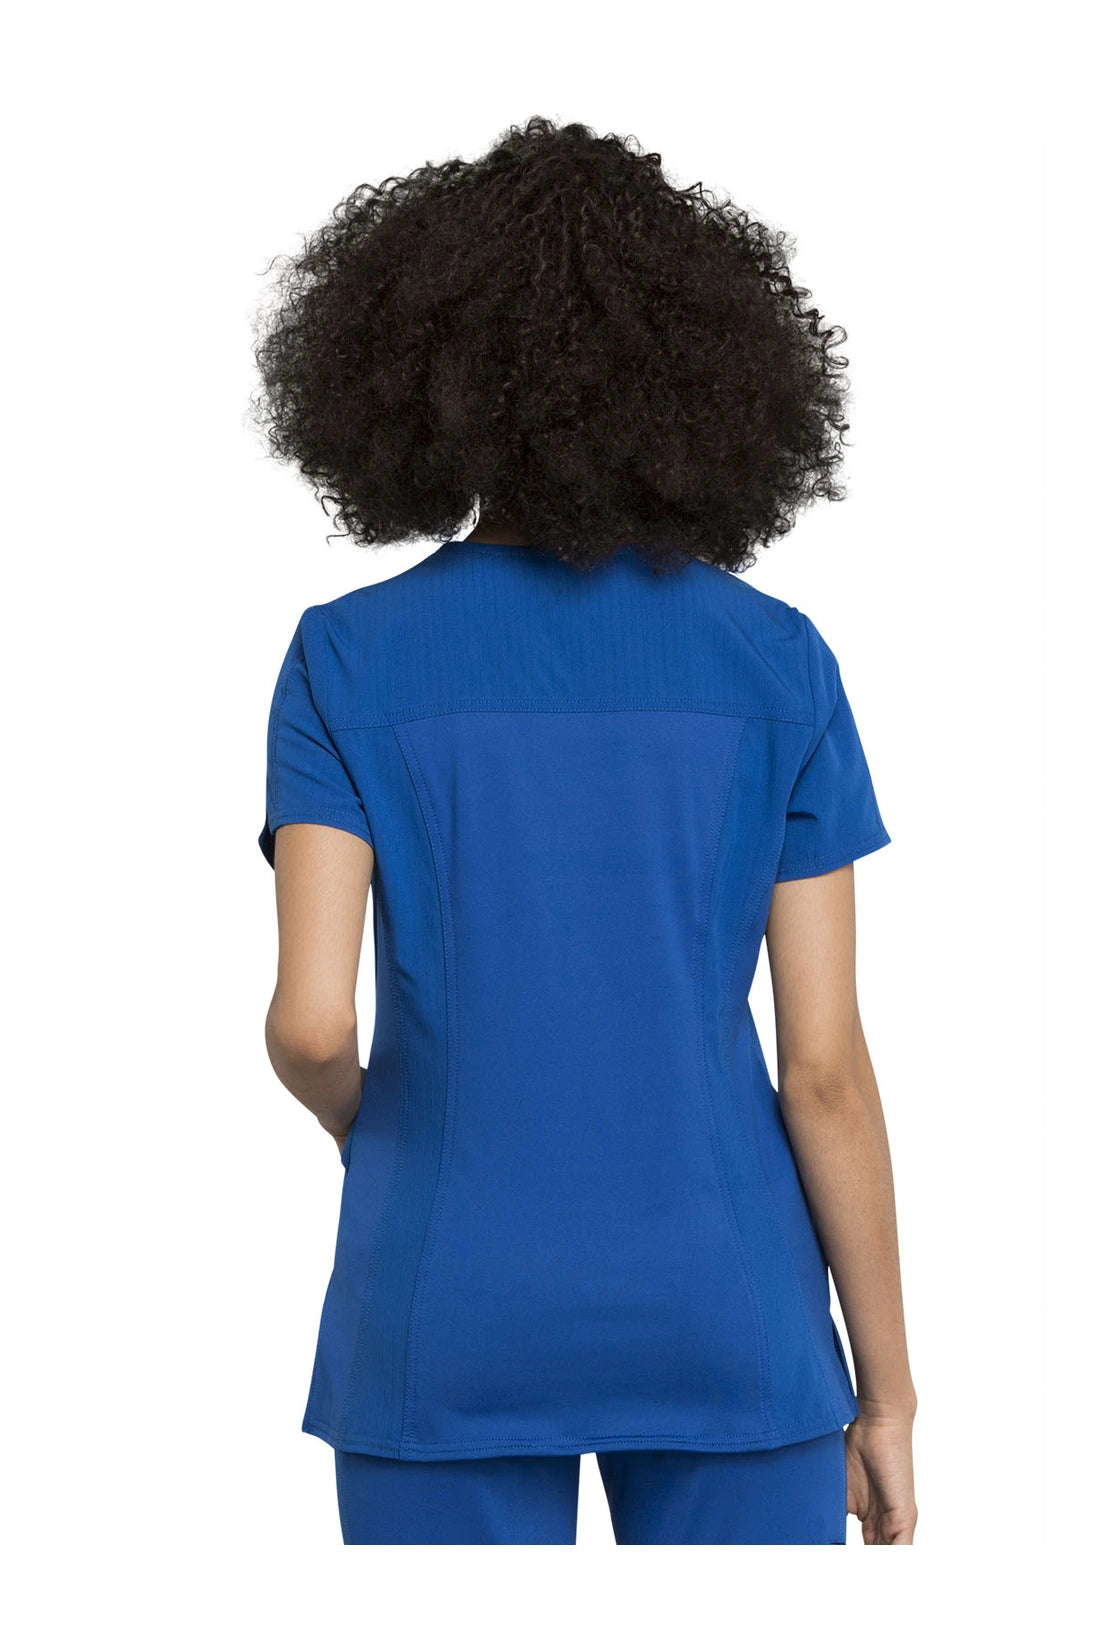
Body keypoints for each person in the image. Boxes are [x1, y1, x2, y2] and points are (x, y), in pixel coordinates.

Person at [251, 116, 918, 1545]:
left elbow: (309, 1025)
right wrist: (890, 1399)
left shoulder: (345, 658)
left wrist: (398, 1137)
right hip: (730, 1308)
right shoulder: (778, 660)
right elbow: (823, 1073)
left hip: (445, 1310)